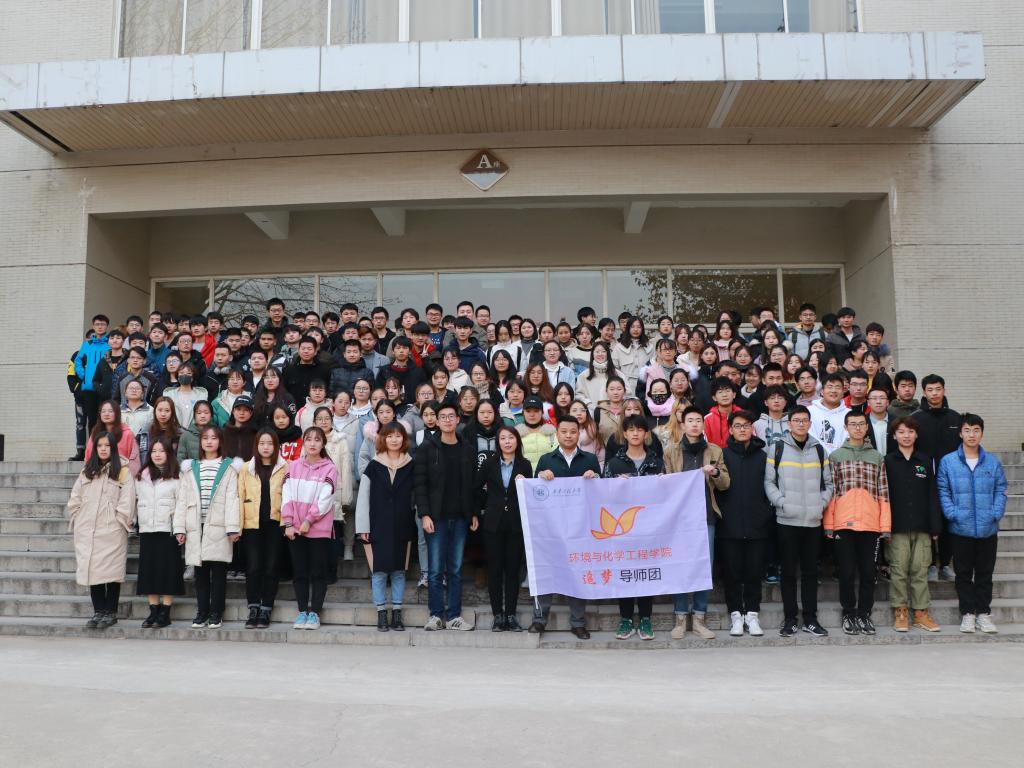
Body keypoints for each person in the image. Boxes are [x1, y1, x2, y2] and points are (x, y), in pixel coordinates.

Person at [764, 404, 834, 638]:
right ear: (789, 424)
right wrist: (782, 502)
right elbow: (769, 482)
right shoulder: (777, 448)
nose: (801, 424)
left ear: (810, 423)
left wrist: (821, 504)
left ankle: (810, 619)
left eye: (805, 420)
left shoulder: (819, 449)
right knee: (788, 573)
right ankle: (790, 619)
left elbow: (828, 484)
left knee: (810, 573)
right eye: (797, 420)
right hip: (787, 520)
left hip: (812, 521)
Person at [529, 416, 602, 639]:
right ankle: (539, 620)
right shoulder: (546, 459)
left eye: (573, 431)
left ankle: (578, 622)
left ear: (579, 434)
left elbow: (601, 493)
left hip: (581, 529)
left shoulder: (589, 459)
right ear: (557, 434)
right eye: (564, 432)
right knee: (546, 571)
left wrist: (595, 477)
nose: (568, 435)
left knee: (578, 573)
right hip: (551, 529)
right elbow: (535, 493)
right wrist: (541, 477)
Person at [663, 406, 730, 641]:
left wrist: (714, 473)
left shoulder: (714, 450)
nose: (694, 424)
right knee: (680, 566)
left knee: (704, 567)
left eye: (698, 420)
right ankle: (681, 618)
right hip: (679, 519)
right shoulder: (671, 450)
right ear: (682, 425)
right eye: (690, 420)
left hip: (705, 516)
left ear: (703, 424)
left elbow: (725, 483)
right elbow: (666, 482)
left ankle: (699, 618)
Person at [938, 414, 1008, 634]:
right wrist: (952, 513)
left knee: (985, 574)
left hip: (988, 528)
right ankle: (968, 614)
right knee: (963, 574)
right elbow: (943, 490)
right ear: (960, 433)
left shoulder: (992, 462)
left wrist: (995, 513)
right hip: (960, 528)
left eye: (976, 430)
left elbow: (1001, 489)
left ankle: (984, 614)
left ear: (982, 433)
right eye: (967, 430)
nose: (971, 435)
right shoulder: (948, 461)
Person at [824, 410, 891, 635]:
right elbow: (832, 492)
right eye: (853, 424)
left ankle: (864, 614)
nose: (858, 428)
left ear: (866, 427)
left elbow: (883, 493)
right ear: (846, 427)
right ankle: (848, 614)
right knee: (846, 572)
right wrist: (829, 524)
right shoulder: (836, 456)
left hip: (871, 525)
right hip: (843, 523)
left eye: (861, 424)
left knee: (868, 573)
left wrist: (885, 526)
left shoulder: (877, 457)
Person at [415, 401, 478, 631]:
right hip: (436, 517)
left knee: (455, 569)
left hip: (460, 517)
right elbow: (419, 484)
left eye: (452, 416)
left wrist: (473, 513)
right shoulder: (427, 448)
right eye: (443, 417)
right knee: (435, 571)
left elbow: (472, 485)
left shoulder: (467, 449)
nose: (448, 420)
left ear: (458, 420)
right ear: (437, 421)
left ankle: (453, 616)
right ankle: (435, 615)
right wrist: (424, 514)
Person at [603, 415, 664, 641]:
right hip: (623, 529)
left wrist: (661, 484)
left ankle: (646, 618)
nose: (635, 433)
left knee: (646, 572)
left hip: (650, 528)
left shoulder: (657, 462)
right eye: (631, 430)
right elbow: (603, 496)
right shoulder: (614, 463)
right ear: (625, 434)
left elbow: (666, 495)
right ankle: (626, 619)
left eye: (640, 429)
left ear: (646, 434)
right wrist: (616, 487)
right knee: (626, 573)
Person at [67, 431, 136, 629]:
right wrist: (78, 516)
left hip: (111, 529)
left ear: (113, 448)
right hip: (87, 528)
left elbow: (128, 500)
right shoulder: (87, 471)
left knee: (112, 572)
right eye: (100, 446)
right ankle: (98, 611)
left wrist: (119, 521)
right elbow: (75, 497)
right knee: (93, 570)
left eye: (107, 445)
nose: (103, 449)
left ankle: (110, 612)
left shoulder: (122, 471)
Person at [175, 426, 241, 629]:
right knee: (200, 574)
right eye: (205, 438)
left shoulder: (229, 467)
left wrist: (233, 527)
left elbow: (233, 499)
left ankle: (216, 612)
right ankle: (202, 611)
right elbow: (182, 499)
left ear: (220, 441)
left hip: (219, 526)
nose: (209, 441)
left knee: (219, 573)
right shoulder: (191, 467)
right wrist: (180, 528)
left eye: (213, 438)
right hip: (196, 526)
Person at [884, 417, 943, 633]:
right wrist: (885, 526)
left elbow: (932, 494)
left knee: (920, 570)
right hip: (897, 526)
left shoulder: (925, 460)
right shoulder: (888, 461)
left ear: (916, 435)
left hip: (923, 526)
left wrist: (935, 526)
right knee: (899, 570)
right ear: (894, 436)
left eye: (910, 431)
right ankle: (900, 611)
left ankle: (920, 613)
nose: (906, 436)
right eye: (901, 432)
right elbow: (884, 496)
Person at [357, 422, 417, 632]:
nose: (394, 439)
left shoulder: (411, 465)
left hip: (403, 524)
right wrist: (363, 527)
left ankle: (397, 613)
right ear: (383, 439)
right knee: (379, 571)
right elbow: (363, 498)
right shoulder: (373, 466)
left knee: (399, 571)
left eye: (398, 435)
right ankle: (381, 613)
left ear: (404, 439)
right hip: (377, 525)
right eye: (389, 436)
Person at [718, 411, 771, 638]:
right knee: (731, 573)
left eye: (746, 425)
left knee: (754, 572)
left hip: (757, 524)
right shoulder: (722, 455)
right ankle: (735, 615)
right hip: (729, 525)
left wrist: (765, 513)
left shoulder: (763, 456)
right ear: (730, 430)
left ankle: (752, 614)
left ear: (752, 429)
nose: (742, 429)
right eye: (738, 426)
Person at [475, 425, 532, 632]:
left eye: (511, 438)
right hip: (493, 523)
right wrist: (488, 503)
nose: (507, 442)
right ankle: (498, 615)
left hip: (516, 524)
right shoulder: (489, 463)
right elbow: (476, 488)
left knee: (513, 570)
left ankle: (511, 614)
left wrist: (525, 483)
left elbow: (530, 493)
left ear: (517, 441)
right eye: (503, 438)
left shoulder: (525, 465)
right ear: (498, 442)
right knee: (495, 570)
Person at [281, 426, 339, 631]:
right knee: (300, 572)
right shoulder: (292, 466)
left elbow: (326, 498)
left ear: (323, 444)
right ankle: (302, 612)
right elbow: (286, 495)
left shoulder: (329, 468)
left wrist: (308, 520)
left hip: (318, 529)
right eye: (309, 439)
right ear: (303, 442)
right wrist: (289, 522)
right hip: (295, 529)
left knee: (318, 572)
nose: (312, 443)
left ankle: (314, 612)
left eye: (317, 440)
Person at [237, 428, 288, 629]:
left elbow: (289, 496)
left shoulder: (285, 467)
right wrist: (237, 526)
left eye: (270, 443)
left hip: (275, 524)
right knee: (253, 567)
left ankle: (266, 608)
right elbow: (239, 496)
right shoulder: (246, 468)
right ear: (256, 445)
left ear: (276, 446)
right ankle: (253, 608)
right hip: (251, 525)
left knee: (271, 566)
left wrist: (287, 522)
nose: (266, 447)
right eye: (262, 443)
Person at [912, 374, 961, 582]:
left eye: (938, 389)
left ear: (944, 390)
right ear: (924, 392)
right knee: (929, 523)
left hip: (951, 481)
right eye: (930, 390)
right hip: (924, 479)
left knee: (948, 522)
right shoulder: (916, 419)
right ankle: (931, 564)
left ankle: (946, 564)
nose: (934, 393)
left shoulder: (955, 418)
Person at [134, 437, 184, 628]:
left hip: (167, 531)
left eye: (161, 451)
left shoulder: (176, 477)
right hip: (147, 529)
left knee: (168, 571)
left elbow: (181, 505)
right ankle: (153, 611)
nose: (157, 454)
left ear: (169, 454)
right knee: (149, 571)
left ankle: (165, 612)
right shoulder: (141, 476)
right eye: (154, 451)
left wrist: (180, 529)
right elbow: (136, 500)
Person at [86, 400, 141, 476]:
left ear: (117, 413)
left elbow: (134, 459)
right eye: (103, 411)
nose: (106, 414)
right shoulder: (95, 432)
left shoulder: (127, 434)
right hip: (98, 475)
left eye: (110, 411)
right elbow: (88, 455)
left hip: (121, 475)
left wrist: (128, 476)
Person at [808, 373, 850, 454]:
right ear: (822, 391)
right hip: (814, 457)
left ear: (843, 392)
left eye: (837, 387)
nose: (833, 390)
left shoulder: (849, 414)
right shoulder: (809, 411)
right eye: (830, 387)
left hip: (842, 458)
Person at [611, 316, 653, 393]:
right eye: (632, 327)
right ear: (628, 328)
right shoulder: (619, 347)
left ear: (642, 329)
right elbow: (614, 369)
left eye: (638, 327)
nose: (635, 329)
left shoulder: (650, 347)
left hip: (645, 387)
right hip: (625, 387)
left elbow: (654, 368)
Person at [516, 396, 557, 472]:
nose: (532, 414)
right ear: (523, 413)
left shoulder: (551, 433)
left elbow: (557, 459)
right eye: (528, 411)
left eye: (536, 411)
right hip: (524, 477)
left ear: (542, 412)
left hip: (548, 477)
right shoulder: (516, 435)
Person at [703, 377, 740, 449]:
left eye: (727, 391)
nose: (724, 395)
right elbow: (704, 444)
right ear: (714, 397)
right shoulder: (708, 419)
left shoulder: (743, 416)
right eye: (720, 392)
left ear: (734, 394)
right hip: (715, 455)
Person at [754, 384, 790, 449]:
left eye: (780, 398)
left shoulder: (792, 424)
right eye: (772, 398)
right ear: (766, 402)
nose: (776, 401)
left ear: (785, 402)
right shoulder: (757, 425)